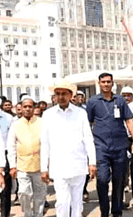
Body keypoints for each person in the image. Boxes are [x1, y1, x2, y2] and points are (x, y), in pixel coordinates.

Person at [86, 73, 133, 217]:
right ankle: (105, 210)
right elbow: (87, 125)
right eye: (103, 82)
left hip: (120, 146)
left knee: (119, 180)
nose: (106, 84)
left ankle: (117, 211)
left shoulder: (120, 100)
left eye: (109, 82)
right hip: (101, 147)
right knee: (102, 179)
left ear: (112, 83)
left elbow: (129, 120)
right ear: (99, 83)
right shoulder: (93, 102)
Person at [41, 80, 96, 217]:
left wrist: (92, 162)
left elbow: (88, 139)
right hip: (58, 166)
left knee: (77, 202)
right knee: (62, 202)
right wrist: (43, 168)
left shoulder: (80, 113)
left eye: (64, 93)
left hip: (78, 164)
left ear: (71, 95)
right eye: (58, 94)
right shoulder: (48, 114)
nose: (61, 97)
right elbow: (45, 142)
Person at [8, 97, 46, 217]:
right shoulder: (15, 125)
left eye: (30, 106)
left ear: (34, 108)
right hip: (22, 165)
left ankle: (38, 214)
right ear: (21, 109)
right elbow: (11, 146)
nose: (28, 109)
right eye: (25, 107)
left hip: (40, 165)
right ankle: (28, 214)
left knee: (40, 194)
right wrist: (12, 166)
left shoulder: (42, 123)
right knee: (23, 192)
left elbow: (48, 144)